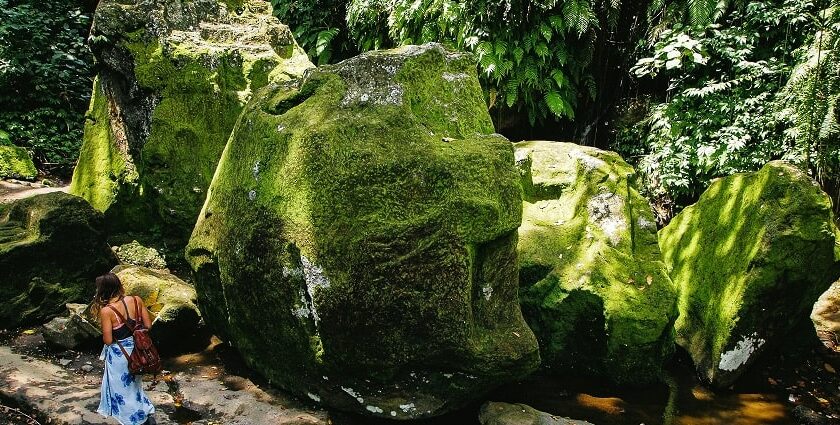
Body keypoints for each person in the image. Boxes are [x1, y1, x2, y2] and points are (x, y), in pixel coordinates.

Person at [93, 272, 156, 425]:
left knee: (123, 390)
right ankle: (146, 412)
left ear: (102, 290)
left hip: (121, 355)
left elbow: (108, 340)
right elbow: (148, 325)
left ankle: (136, 420)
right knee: (135, 385)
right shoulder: (136, 300)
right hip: (139, 351)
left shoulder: (107, 311)